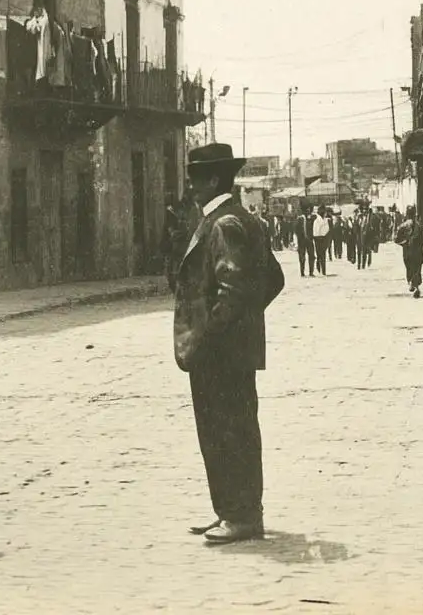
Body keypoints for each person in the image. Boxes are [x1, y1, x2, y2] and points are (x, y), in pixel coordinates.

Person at [173, 141, 284, 545]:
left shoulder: (222, 223)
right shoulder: (237, 218)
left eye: (195, 179)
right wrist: (247, 323)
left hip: (219, 354)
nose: (190, 187)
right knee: (232, 431)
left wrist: (210, 334)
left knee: (225, 433)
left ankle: (239, 516)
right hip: (232, 351)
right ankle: (233, 511)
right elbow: (272, 279)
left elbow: (233, 290)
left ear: (214, 179)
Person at [399, 208, 423, 297]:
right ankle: (416, 286)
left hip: (407, 252)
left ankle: (412, 283)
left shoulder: (403, 226)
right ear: (414, 214)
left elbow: (397, 239)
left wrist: (405, 243)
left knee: (409, 269)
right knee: (417, 270)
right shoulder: (419, 226)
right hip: (417, 252)